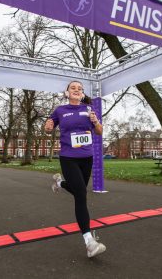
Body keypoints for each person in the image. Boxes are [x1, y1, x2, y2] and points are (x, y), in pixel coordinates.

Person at [44, 80, 106, 258]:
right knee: (80, 194)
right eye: (73, 88)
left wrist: (95, 122)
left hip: (87, 157)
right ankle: (89, 242)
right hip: (68, 157)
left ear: (82, 93)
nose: (77, 90)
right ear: (67, 92)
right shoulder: (60, 110)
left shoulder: (88, 109)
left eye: (80, 89)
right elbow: (49, 127)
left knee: (79, 190)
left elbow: (100, 131)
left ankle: (60, 182)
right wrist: (48, 126)